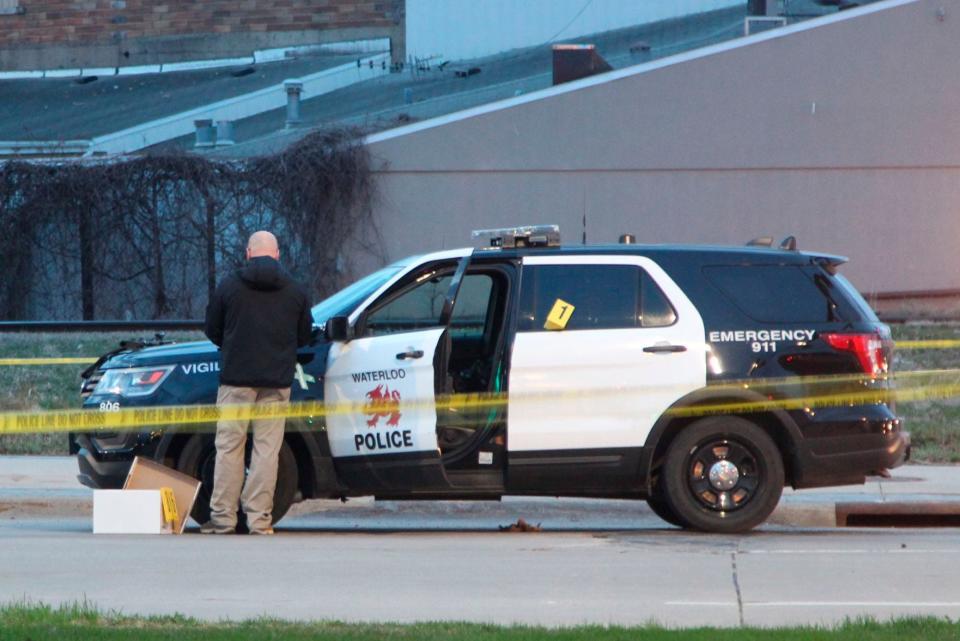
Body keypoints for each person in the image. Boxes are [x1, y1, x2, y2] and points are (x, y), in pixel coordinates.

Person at [201, 230, 312, 535]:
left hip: (236, 380)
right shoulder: (296, 291)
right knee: (266, 450)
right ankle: (259, 520)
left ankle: (223, 518)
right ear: (277, 255)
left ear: (248, 254)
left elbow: (212, 329)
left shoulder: (229, 287)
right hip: (276, 382)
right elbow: (304, 336)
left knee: (229, 448)